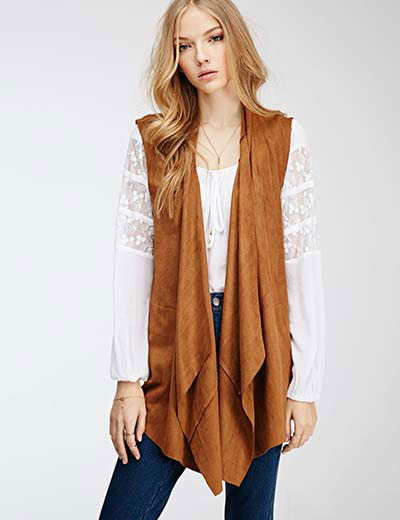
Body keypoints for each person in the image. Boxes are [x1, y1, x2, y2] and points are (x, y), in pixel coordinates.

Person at [99, 0, 325, 518]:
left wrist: (305, 386)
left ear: (235, 40)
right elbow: (134, 261)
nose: (201, 55)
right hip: (175, 342)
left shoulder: (283, 138)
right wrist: (128, 380)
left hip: (261, 347)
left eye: (214, 37)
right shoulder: (154, 141)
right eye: (185, 46)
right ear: (174, 58)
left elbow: (300, 263)